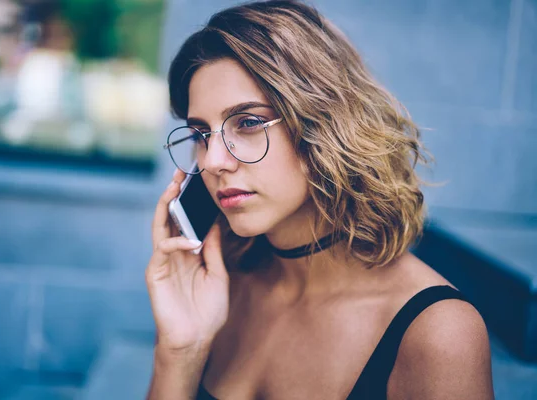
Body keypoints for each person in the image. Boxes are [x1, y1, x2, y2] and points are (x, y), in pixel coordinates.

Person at [145, 1, 494, 399]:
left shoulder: (436, 331)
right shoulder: (219, 287)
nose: (215, 161)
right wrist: (179, 351)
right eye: (201, 134)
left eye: (249, 122)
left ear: (324, 123)